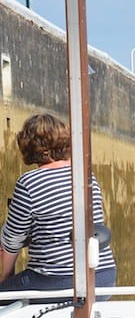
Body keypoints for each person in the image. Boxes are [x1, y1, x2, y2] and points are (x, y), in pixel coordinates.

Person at [0, 113, 117, 291]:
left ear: (28, 145)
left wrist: (5, 278)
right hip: (103, 277)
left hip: (59, 280)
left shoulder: (29, 183)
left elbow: (12, 240)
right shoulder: (86, 176)